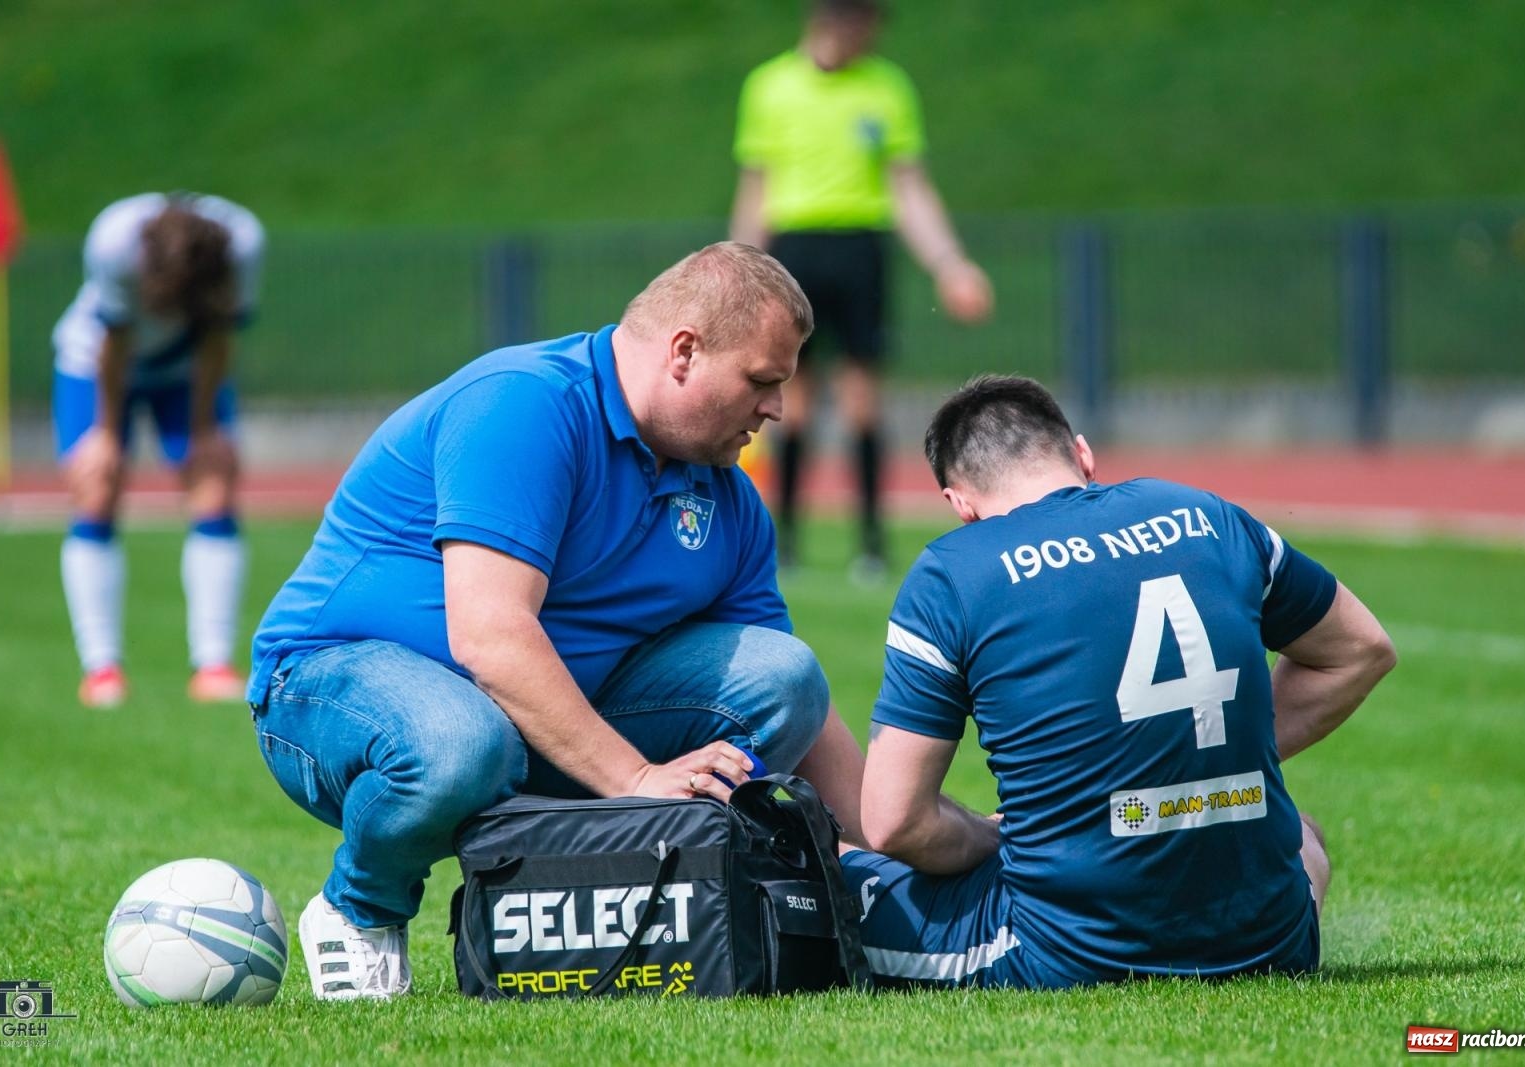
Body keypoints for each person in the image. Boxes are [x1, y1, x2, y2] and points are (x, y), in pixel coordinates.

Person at [247, 242, 867, 1001]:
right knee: (462, 742)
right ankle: (359, 908)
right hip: (330, 683)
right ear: (684, 352)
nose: (777, 409)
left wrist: (905, 842)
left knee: (785, 677)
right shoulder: (526, 404)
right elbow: (492, 636)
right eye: (763, 381)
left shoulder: (727, 497)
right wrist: (637, 779)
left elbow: (791, 700)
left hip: (531, 715)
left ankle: (585, 891)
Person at [840, 375, 1396, 988]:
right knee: (1305, 834)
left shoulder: (953, 573)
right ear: (1082, 455)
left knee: (834, 865)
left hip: (1068, 950)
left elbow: (895, 823)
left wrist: (995, 832)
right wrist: (1182, 765)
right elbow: (1361, 650)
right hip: (1275, 939)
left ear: (961, 505)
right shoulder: (1210, 514)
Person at [730, 0, 994, 580]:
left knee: (861, 402)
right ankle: (787, 542)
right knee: (790, 402)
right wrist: (737, 268)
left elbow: (908, 186)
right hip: (794, 249)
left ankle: (872, 543)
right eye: (862, 18)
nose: (871, 30)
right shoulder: (770, 87)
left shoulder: (887, 86)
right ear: (827, 17)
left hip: (860, 250)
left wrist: (950, 264)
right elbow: (756, 189)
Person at [53, 192, 264, 708]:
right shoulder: (113, 242)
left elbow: (218, 336)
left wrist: (203, 428)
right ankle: (101, 669)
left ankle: (213, 665)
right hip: (94, 364)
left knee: (212, 482)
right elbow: (115, 342)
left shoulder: (244, 244)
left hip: (186, 368)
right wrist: (104, 433)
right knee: (97, 489)